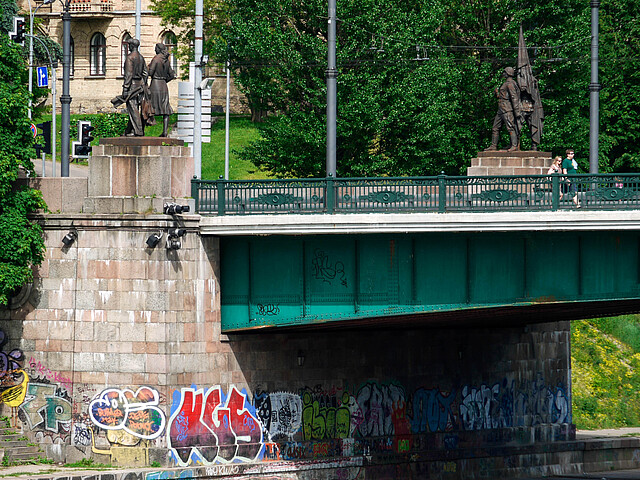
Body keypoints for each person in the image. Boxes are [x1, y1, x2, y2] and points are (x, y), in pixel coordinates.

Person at [484, 67, 522, 152]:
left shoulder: (510, 83)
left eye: (504, 72)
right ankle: (493, 145)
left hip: (507, 109)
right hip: (501, 108)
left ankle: (514, 145)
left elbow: (514, 97)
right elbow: (504, 96)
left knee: (510, 127)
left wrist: (516, 111)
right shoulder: (506, 83)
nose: (503, 74)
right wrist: (497, 93)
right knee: (495, 127)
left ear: (508, 73)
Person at [148, 43, 176, 137]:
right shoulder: (166, 61)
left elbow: (150, 72)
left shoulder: (156, 59)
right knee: (165, 108)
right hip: (163, 85)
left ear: (158, 49)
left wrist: (147, 68)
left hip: (155, 85)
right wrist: (164, 81)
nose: (154, 49)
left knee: (149, 105)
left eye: (155, 48)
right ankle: (165, 132)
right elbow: (172, 75)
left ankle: (143, 128)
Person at [122, 38, 148, 137]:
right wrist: (144, 84)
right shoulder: (141, 58)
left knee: (133, 108)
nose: (128, 47)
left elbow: (128, 75)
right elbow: (145, 73)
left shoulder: (130, 58)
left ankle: (138, 131)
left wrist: (125, 89)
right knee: (135, 108)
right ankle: (129, 130)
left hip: (132, 86)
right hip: (140, 85)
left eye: (129, 45)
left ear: (132, 46)